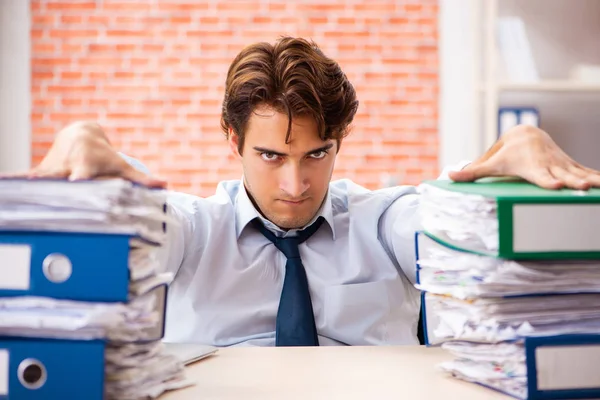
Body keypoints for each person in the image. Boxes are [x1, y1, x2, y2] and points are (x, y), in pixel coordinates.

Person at [12, 37, 600, 347]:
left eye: (317, 154)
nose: (295, 185)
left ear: (339, 142)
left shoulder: (380, 220)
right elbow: (145, 223)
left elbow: (439, 219)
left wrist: (504, 163)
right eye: (271, 156)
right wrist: (86, 149)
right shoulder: (196, 229)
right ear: (232, 140)